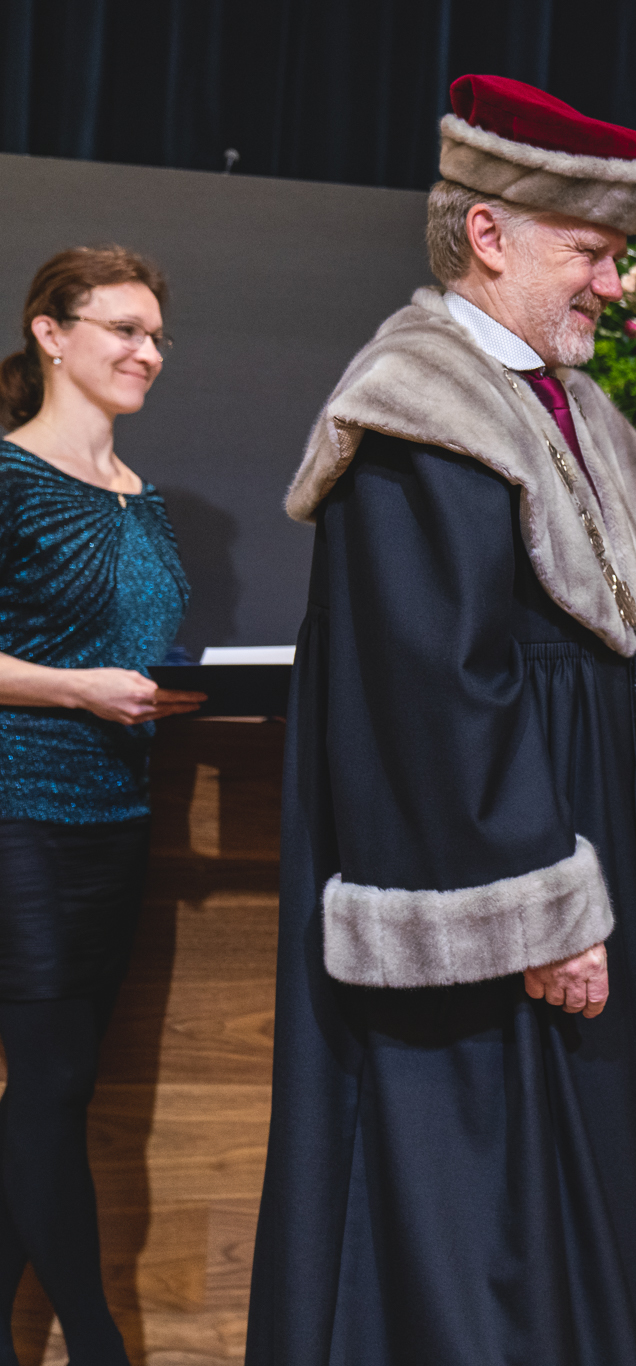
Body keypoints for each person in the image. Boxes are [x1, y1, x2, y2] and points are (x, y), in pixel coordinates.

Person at [246, 76, 636, 1365]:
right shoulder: (426, 410)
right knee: (487, 1236)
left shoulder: (553, 404)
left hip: (586, 853)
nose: (611, 283)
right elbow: (434, 684)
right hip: (508, 890)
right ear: (488, 234)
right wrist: (540, 908)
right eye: (588, 251)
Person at [0, 246, 201, 1366]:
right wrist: (77, 688)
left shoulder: (145, 496)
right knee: (53, 1079)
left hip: (118, 815)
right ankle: (98, 1342)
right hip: (17, 805)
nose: (148, 353)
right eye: (125, 329)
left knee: (58, 1089)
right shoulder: (6, 476)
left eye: (157, 335)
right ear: (51, 333)